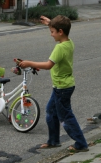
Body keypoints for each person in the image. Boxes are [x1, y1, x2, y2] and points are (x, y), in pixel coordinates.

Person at [19, 15, 89, 153]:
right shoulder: (69, 42)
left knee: (65, 116)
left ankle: (81, 143)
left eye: (52, 32)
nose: (51, 35)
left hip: (62, 87)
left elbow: (48, 65)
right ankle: (53, 141)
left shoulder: (60, 48)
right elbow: (60, 27)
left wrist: (28, 63)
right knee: (51, 112)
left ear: (60, 32)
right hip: (62, 86)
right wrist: (50, 23)